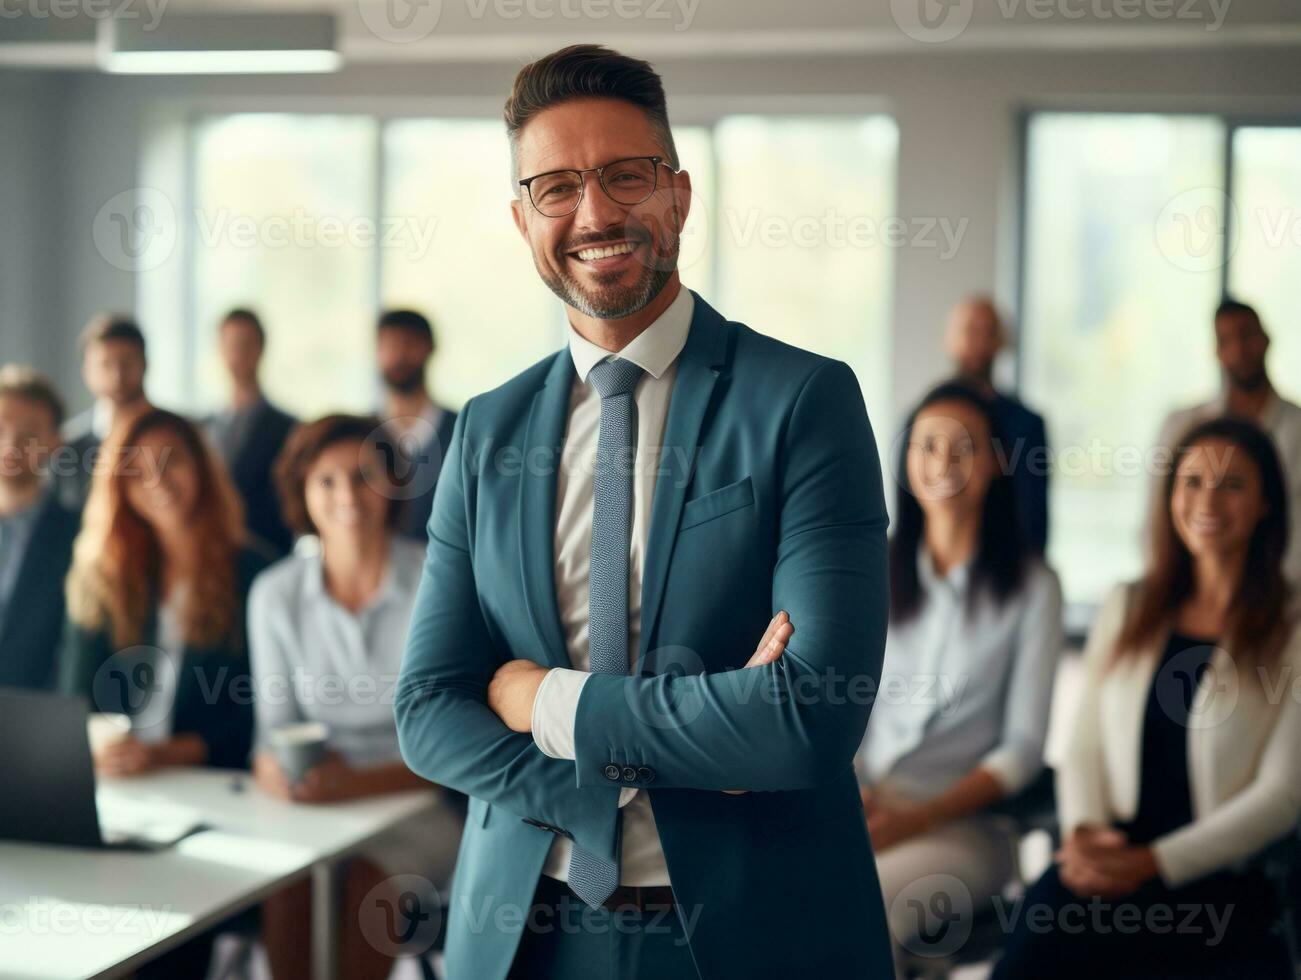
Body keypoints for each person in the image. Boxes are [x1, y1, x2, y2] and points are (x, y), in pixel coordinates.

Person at [395, 44, 893, 980]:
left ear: (678, 195)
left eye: (627, 176)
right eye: (556, 187)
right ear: (521, 218)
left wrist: (540, 699)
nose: (595, 213)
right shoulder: (488, 429)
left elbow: (810, 714)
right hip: (525, 933)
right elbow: (426, 710)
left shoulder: (802, 402)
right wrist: (656, 765)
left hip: (752, 933)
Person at [994, 417, 1300, 980]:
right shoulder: (1129, 606)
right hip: (1106, 862)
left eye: (1233, 484)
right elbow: (1083, 743)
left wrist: (1152, 863)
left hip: (1219, 885)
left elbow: (1283, 794)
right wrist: (1085, 836)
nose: (1208, 499)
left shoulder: (1292, 625)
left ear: (1266, 505)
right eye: (1192, 481)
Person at [248, 414, 463, 980]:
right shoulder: (274, 593)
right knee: (288, 886)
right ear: (303, 491)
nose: (347, 495)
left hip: (421, 805)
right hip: (317, 804)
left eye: (364, 477)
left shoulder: (436, 578)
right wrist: (279, 774)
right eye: (326, 480)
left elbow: (455, 748)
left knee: (368, 884)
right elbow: (270, 734)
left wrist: (355, 786)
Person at [58, 408, 270, 980]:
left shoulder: (253, 573)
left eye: (172, 460)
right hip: (121, 793)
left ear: (202, 468)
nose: (158, 479)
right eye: (138, 468)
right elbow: (73, 699)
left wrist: (168, 754)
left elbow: (255, 717)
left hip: (215, 796)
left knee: (166, 936)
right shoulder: (102, 573)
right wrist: (99, 747)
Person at [859, 381, 1063, 970]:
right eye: (927, 446)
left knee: (865, 905)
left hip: (966, 827)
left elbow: (1023, 748)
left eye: (963, 447)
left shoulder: (1033, 587)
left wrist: (916, 818)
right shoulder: (874, 568)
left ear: (998, 462)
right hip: (861, 806)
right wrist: (852, 794)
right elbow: (840, 703)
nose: (943, 464)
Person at [1152, 298, 1301, 584]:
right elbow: (1156, 519)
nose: (1239, 350)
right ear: (1216, 352)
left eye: (1246, 335)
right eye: (1225, 341)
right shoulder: (1184, 425)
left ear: (1266, 339)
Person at [945, 295, 1051, 554]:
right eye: (970, 330)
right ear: (949, 339)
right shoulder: (920, 420)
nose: (979, 343)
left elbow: (1034, 518)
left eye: (989, 332)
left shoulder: (1026, 425)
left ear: (1001, 342)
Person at [0, 366, 80, 690]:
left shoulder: (80, 537)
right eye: (1, 427)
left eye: (29, 433)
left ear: (55, 443)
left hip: (35, 719)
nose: (11, 443)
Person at [204, 308, 297, 556]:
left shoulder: (289, 429)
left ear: (261, 348)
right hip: (210, 556)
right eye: (230, 344)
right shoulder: (201, 429)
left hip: (269, 553)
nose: (237, 354)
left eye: (246, 344)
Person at [374, 309, 457, 541]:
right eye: (388, 346)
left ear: (430, 348)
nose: (398, 355)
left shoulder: (462, 430)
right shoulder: (361, 435)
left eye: (409, 344)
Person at [60, 314, 151, 509]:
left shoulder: (178, 435)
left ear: (144, 364)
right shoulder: (67, 446)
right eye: (106, 364)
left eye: (126, 363)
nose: (118, 375)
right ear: (86, 371)